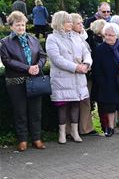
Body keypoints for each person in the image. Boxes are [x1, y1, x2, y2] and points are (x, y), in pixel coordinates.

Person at [0, 11, 47, 151]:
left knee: (36, 111)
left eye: (23, 24)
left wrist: (37, 66)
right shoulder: (4, 42)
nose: (21, 27)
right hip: (16, 82)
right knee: (20, 112)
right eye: (17, 25)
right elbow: (7, 61)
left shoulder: (33, 39)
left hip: (34, 81)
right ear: (11, 27)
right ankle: (22, 140)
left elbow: (42, 55)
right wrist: (27, 68)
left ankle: (37, 139)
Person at [46, 11, 92, 144]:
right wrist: (76, 67)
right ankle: (62, 133)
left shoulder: (76, 37)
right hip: (62, 78)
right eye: (68, 21)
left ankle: (75, 132)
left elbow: (86, 52)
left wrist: (86, 64)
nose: (71, 24)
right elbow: (56, 59)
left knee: (75, 105)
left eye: (71, 21)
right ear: (60, 23)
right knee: (62, 106)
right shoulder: (52, 38)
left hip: (78, 78)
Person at [91, 23, 119, 137]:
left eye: (111, 35)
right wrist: (101, 82)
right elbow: (96, 67)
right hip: (107, 82)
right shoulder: (100, 49)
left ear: (117, 35)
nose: (107, 37)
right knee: (109, 106)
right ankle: (110, 127)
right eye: (106, 35)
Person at [69, 13, 95, 135]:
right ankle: (70, 130)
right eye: (78, 23)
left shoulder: (84, 36)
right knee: (72, 102)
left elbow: (88, 53)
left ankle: (86, 128)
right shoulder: (69, 38)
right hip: (74, 73)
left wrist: (87, 64)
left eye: (81, 22)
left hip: (86, 73)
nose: (81, 25)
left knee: (86, 101)